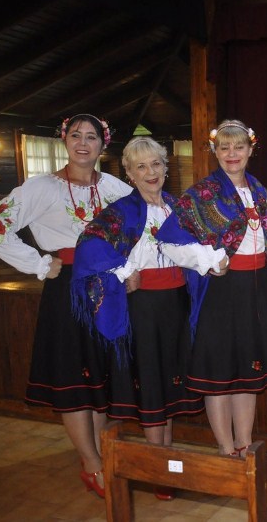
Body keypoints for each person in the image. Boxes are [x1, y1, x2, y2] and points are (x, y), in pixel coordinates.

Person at [0, 114, 132, 498]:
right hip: (67, 289)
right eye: (76, 135)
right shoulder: (41, 188)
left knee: (101, 375)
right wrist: (38, 263)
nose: (83, 143)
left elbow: (143, 227)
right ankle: (91, 463)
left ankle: (105, 454)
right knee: (73, 375)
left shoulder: (116, 188)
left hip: (108, 288)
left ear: (103, 144)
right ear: (64, 140)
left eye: (91, 137)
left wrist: (130, 268)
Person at [71, 137, 211, 500]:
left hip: (177, 304)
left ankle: (165, 462)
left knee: (170, 381)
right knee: (151, 382)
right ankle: (157, 468)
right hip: (144, 308)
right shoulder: (121, 212)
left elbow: (204, 244)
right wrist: (121, 272)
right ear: (130, 174)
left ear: (166, 168)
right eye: (141, 167)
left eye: (156, 164)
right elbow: (89, 244)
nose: (151, 172)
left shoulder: (179, 208)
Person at [156, 119, 267, 457]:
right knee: (218, 373)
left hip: (256, 290)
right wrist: (207, 259)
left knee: (248, 369)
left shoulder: (261, 194)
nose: (232, 153)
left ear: (250, 149)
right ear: (215, 152)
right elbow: (169, 240)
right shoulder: (201, 194)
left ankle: (244, 445)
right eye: (225, 147)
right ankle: (224, 448)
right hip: (220, 291)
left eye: (239, 147)